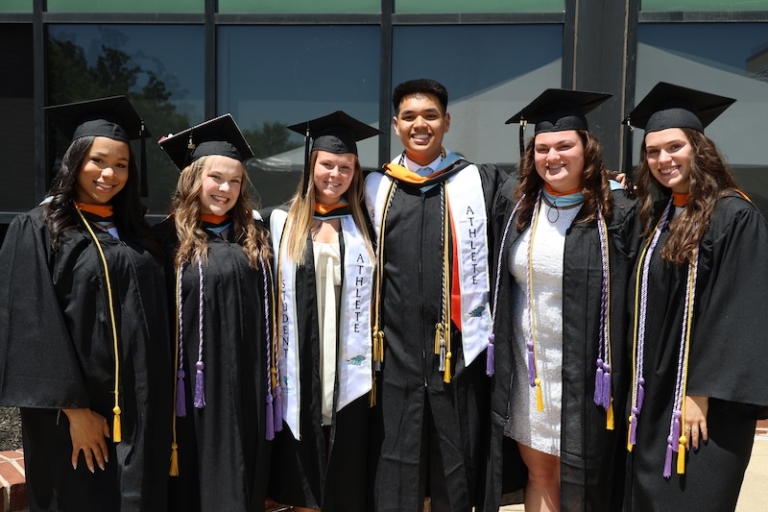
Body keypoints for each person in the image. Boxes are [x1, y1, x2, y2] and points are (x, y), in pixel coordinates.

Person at [0, 96, 172, 511]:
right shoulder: (39, 228)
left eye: (121, 165)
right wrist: (76, 412)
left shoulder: (134, 233)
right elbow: (31, 322)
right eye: (98, 160)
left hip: (139, 413)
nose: (109, 173)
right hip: (76, 420)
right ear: (74, 161)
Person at [487, 89, 639, 512]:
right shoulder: (517, 207)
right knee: (541, 474)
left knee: (587, 482)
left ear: (586, 149)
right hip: (531, 370)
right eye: (542, 148)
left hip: (591, 374)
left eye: (564, 145)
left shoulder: (617, 212)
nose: (552, 156)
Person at [622, 82, 768, 511]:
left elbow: (738, 309)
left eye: (674, 147)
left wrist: (697, 393)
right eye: (652, 151)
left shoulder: (734, 215)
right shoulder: (660, 216)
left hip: (703, 405)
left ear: (698, 148)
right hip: (654, 395)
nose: (663, 159)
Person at [364, 78, 506, 512]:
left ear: (446, 121)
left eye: (429, 115)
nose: (419, 124)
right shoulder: (374, 189)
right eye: (409, 117)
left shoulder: (479, 184)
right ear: (395, 125)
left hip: (458, 353)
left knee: (456, 459)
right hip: (395, 353)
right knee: (394, 460)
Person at [153, 114, 275, 512]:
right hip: (191, 392)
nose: (225, 189)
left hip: (248, 383)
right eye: (215, 178)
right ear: (192, 179)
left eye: (235, 181)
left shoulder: (255, 237)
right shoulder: (162, 242)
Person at [267, 110, 380, 512]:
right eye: (327, 164)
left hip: (350, 365)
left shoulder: (367, 225)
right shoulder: (280, 224)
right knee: (305, 484)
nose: (336, 174)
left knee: (346, 480)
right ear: (310, 166)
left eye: (345, 167)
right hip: (301, 365)